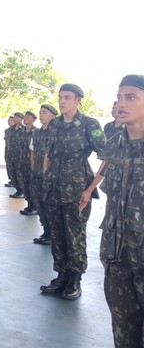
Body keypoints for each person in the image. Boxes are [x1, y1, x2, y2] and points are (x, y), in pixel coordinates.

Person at [40, 83, 106, 300]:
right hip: (53, 189)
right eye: (60, 97)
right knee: (58, 234)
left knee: (74, 235)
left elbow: (107, 157)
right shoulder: (55, 124)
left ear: (78, 100)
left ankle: (75, 280)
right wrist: (45, 179)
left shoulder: (88, 124)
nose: (62, 101)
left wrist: (90, 189)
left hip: (77, 190)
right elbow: (48, 154)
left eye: (67, 97)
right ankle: (61, 276)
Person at [98, 75, 144, 347]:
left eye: (131, 97)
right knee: (123, 332)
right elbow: (111, 203)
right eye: (119, 97)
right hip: (119, 259)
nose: (122, 104)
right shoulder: (113, 143)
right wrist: (107, 250)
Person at [30, 104, 57, 245]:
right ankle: (46, 232)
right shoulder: (36, 133)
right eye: (40, 113)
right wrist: (34, 169)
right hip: (37, 175)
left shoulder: (57, 132)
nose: (41, 115)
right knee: (40, 204)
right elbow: (33, 152)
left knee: (50, 206)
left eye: (44, 113)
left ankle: (53, 234)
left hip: (51, 177)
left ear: (53, 115)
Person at [19, 111, 38, 215]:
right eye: (24, 117)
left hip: (31, 164)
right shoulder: (22, 132)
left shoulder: (36, 132)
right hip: (22, 163)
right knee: (25, 185)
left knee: (32, 186)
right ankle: (29, 205)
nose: (24, 119)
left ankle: (34, 207)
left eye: (27, 117)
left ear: (33, 119)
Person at [8, 112, 26, 198]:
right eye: (14, 117)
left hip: (20, 156)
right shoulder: (9, 130)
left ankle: (22, 190)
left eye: (17, 117)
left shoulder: (24, 130)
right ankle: (17, 190)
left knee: (20, 174)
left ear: (21, 119)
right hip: (11, 156)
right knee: (13, 173)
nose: (15, 118)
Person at [4, 115, 15, 187]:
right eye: (8, 120)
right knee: (9, 166)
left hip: (16, 152)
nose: (9, 122)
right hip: (8, 150)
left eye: (10, 120)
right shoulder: (7, 131)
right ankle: (11, 179)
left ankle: (15, 181)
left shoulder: (19, 130)